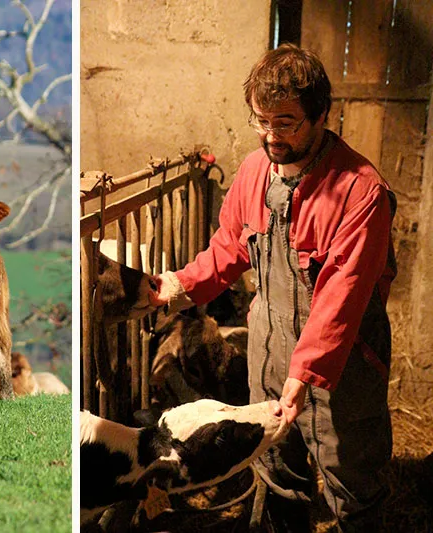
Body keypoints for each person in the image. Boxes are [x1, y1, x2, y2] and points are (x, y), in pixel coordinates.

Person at [152, 43, 396, 533]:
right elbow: (229, 249)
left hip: (339, 369)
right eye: (260, 121)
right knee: (277, 471)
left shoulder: (360, 191)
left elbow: (341, 295)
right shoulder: (253, 173)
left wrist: (305, 372)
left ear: (322, 115)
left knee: (352, 482)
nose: (269, 136)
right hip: (267, 356)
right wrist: (175, 286)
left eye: (284, 123)